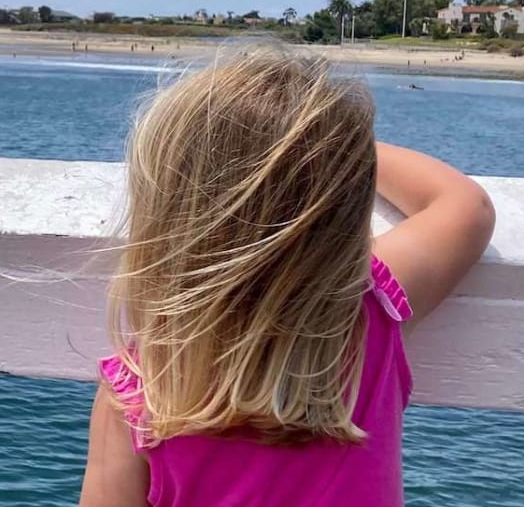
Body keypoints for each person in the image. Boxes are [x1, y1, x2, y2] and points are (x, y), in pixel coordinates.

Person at [78, 48, 493, 507]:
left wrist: (292, 150)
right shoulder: (367, 316)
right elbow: (465, 206)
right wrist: (330, 149)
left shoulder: (139, 391)